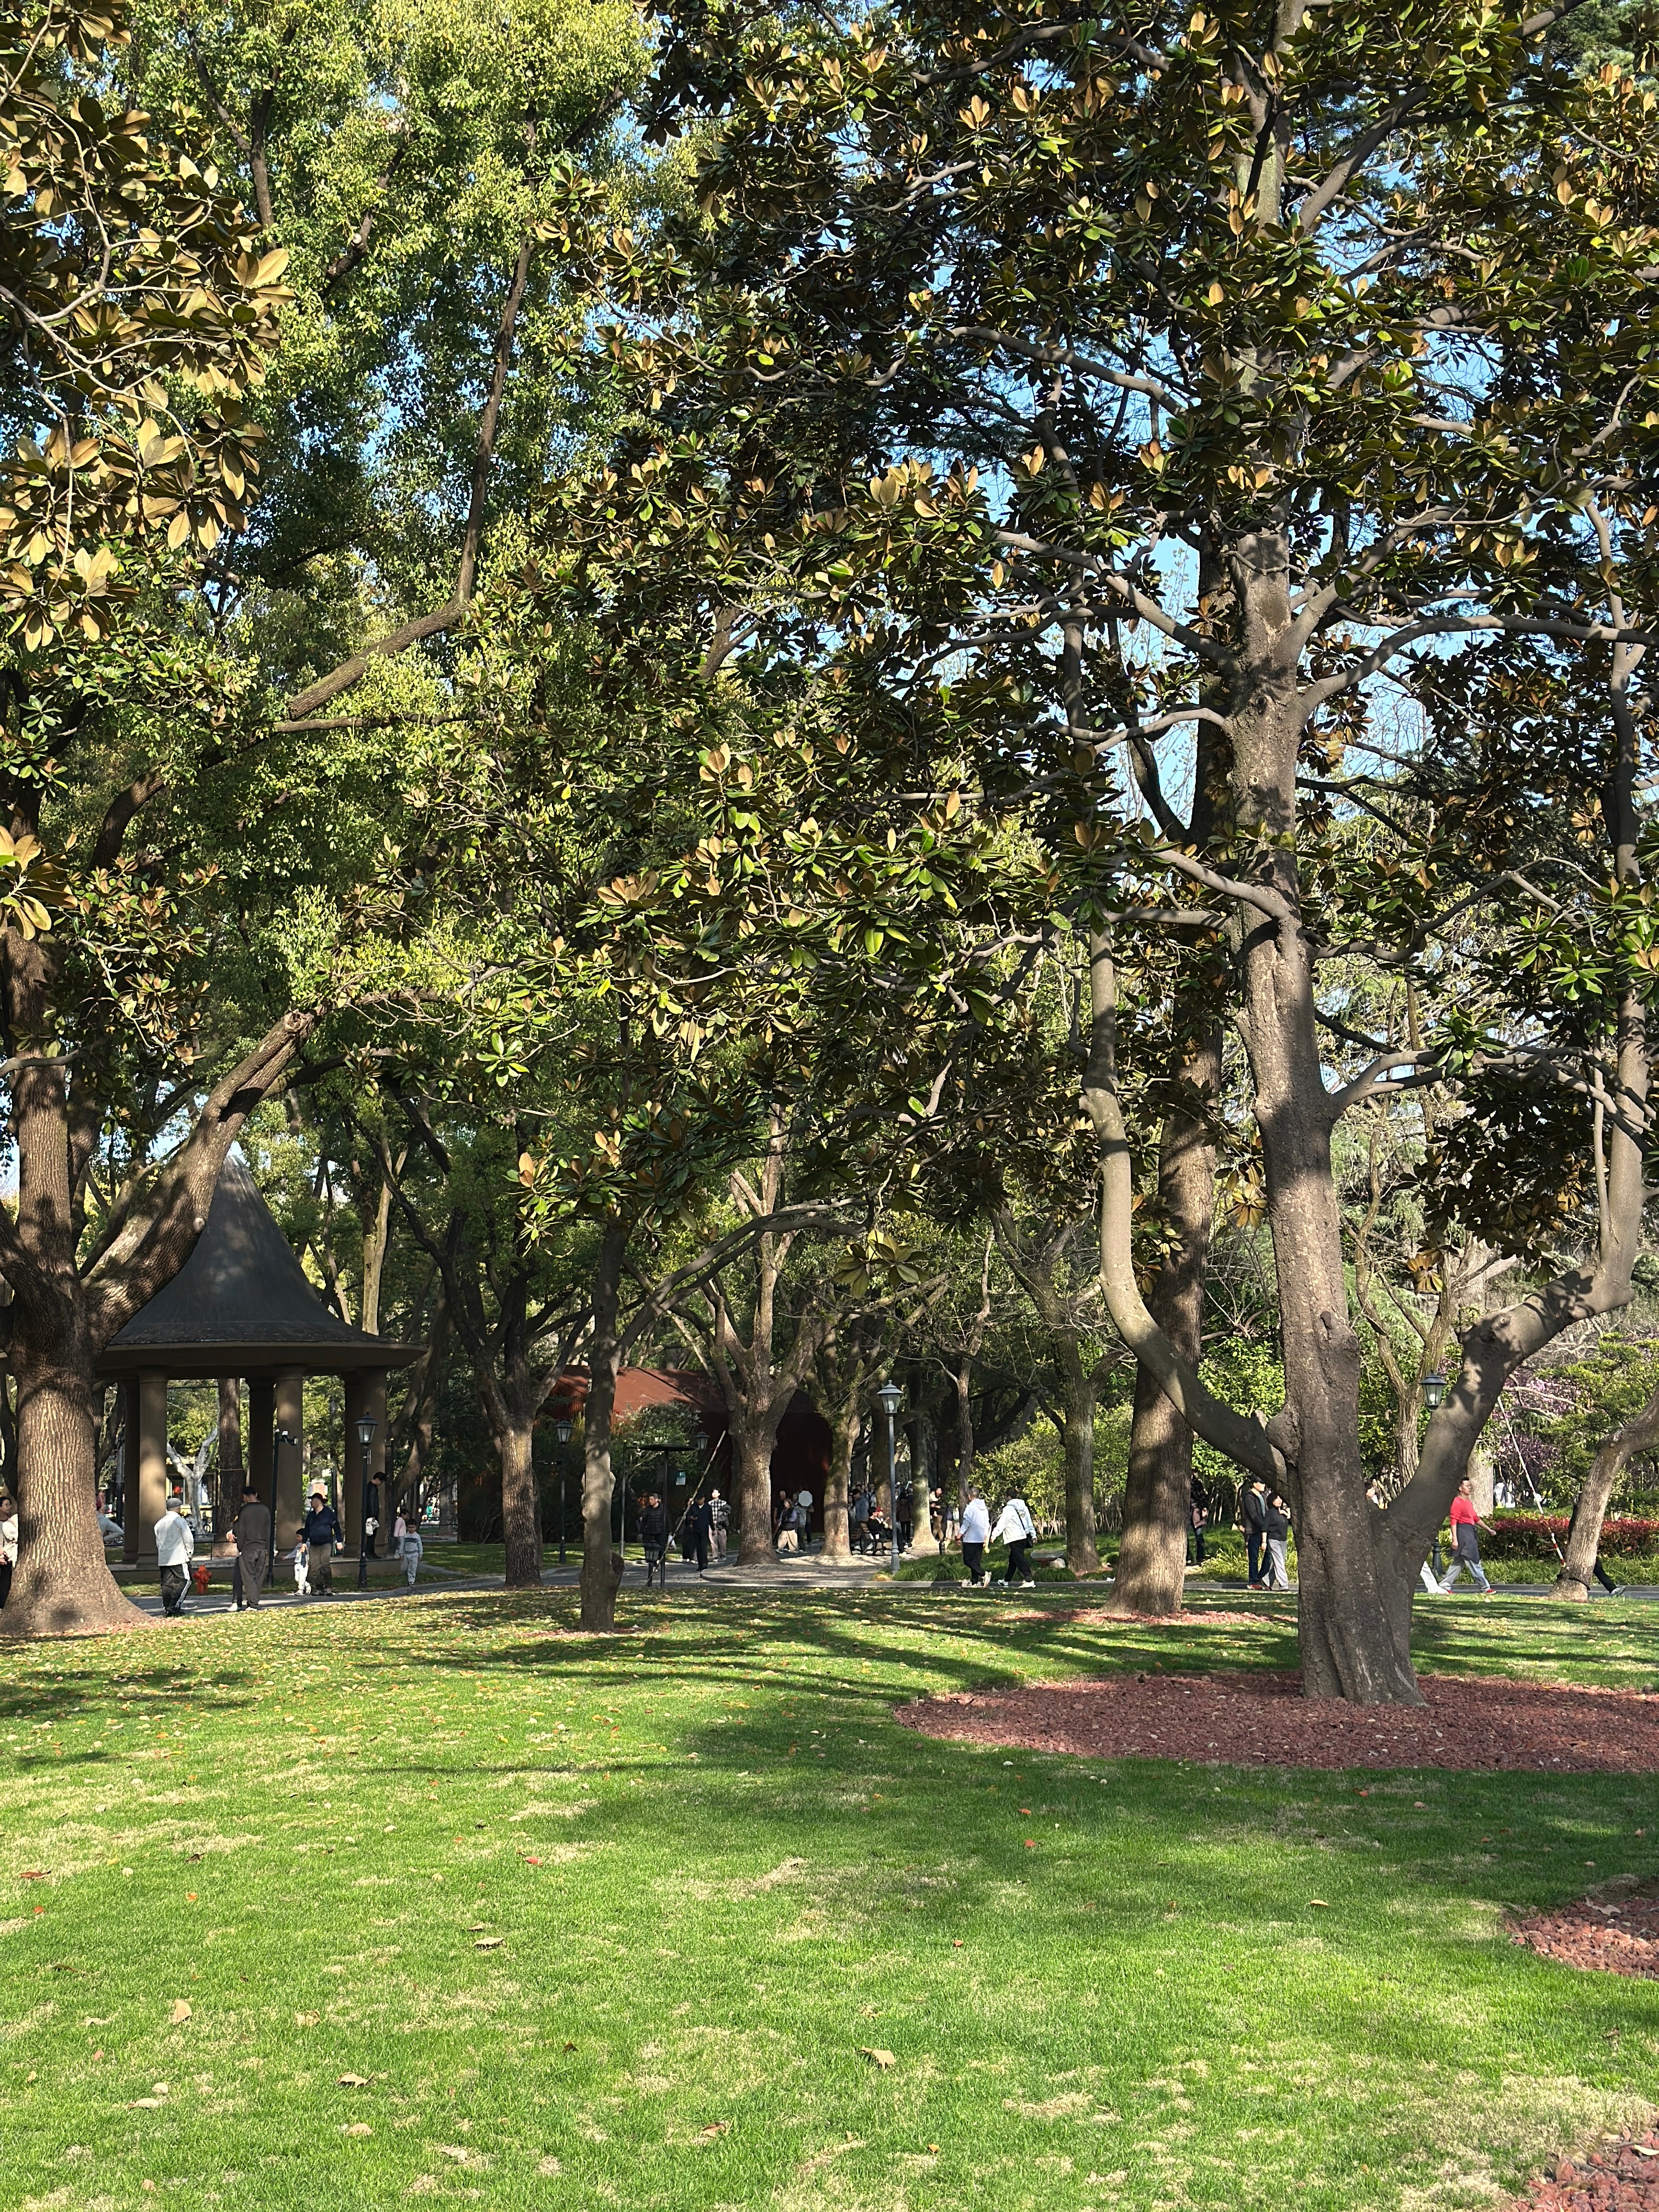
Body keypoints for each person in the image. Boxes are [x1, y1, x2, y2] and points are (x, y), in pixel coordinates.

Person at [1438, 1477, 1493, 1596]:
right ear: (1460, 1488)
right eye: (1467, 1486)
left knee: (1459, 1562)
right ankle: (1485, 1587)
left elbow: (1475, 1518)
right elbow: (1454, 1521)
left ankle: (1444, 1585)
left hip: (1470, 1532)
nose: (1470, 1488)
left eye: (1470, 1486)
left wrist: (1489, 1530)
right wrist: (1455, 1539)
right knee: (1473, 1560)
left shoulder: (1468, 1502)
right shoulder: (1457, 1502)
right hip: (1463, 1534)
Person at [155, 1488, 194, 1616]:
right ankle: (175, 1605)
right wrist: (189, 1553)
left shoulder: (159, 1524)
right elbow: (188, 1538)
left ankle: (167, 1607)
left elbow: (158, 1541)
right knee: (187, 1580)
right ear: (178, 1508)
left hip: (164, 1558)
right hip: (179, 1557)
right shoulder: (179, 1521)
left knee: (167, 1583)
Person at [233, 1483, 271, 1611]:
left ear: (245, 1497)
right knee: (259, 1576)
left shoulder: (244, 1510)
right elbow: (269, 1530)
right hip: (262, 1547)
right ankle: (254, 1601)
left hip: (248, 1547)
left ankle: (253, 1603)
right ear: (256, 1495)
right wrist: (268, 1547)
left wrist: (240, 1548)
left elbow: (241, 1530)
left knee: (248, 1576)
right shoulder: (265, 1510)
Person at [990, 1491, 1037, 1587]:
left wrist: (994, 1535)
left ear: (1009, 1497)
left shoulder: (1008, 1509)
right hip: (1024, 1535)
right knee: (1013, 1559)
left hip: (1014, 1537)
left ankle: (1029, 1579)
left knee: (1019, 1558)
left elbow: (1002, 1523)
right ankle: (1007, 1580)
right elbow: (1029, 1521)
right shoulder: (1023, 1507)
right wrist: (1033, 1535)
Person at [302, 1486, 340, 1596]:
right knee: (315, 1567)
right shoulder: (311, 1515)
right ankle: (319, 1588)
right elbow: (307, 1529)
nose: (311, 1503)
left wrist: (339, 1541)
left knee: (325, 1564)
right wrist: (304, 1542)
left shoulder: (328, 1514)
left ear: (318, 1501)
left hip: (325, 1543)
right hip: (314, 1544)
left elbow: (336, 1527)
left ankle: (328, 1587)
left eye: (312, 1501)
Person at [960, 1488, 991, 1586]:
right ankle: (974, 1582)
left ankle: (984, 1574)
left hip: (970, 1538)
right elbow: (987, 1523)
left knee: (968, 1560)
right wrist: (985, 1536)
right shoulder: (984, 1508)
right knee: (976, 1562)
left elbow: (966, 1522)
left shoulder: (970, 1508)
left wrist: (959, 1534)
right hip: (980, 1538)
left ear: (969, 1496)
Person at [1242, 1477, 1269, 1588]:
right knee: (1254, 1557)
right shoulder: (1249, 1497)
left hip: (1265, 1530)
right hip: (1254, 1530)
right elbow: (1254, 1515)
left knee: (1269, 1554)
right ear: (1254, 1484)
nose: (1263, 1485)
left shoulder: (1263, 1496)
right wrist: (1263, 1526)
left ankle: (1261, 1576)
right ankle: (1253, 1581)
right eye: (1261, 1483)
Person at [639, 1489, 669, 1587]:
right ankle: (652, 1562)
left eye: (652, 1499)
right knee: (650, 1550)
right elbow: (644, 1521)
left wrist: (670, 1531)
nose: (651, 1501)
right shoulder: (648, 1510)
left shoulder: (663, 1509)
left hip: (660, 1533)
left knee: (661, 1549)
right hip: (650, 1532)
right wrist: (641, 1532)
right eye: (650, 1499)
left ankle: (659, 1560)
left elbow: (667, 1520)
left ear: (657, 1500)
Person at [1263, 1493, 1293, 1590]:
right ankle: (1284, 1585)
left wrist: (1287, 1516)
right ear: (1272, 1501)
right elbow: (1265, 1528)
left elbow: (1291, 1523)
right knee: (1279, 1562)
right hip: (1274, 1540)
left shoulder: (1282, 1513)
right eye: (1277, 1499)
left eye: (1280, 1498)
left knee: (1280, 1562)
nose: (1279, 1500)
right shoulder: (1270, 1513)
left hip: (1283, 1540)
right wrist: (1264, 1542)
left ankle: (1267, 1580)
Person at [689, 1492, 713, 1575]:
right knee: (698, 1547)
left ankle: (705, 1563)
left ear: (704, 1499)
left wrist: (713, 1529)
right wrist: (691, 1519)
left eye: (701, 1500)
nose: (699, 1502)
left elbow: (711, 1518)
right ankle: (700, 1564)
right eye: (698, 1500)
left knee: (703, 1547)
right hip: (696, 1529)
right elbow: (688, 1517)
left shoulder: (708, 1507)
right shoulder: (693, 1507)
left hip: (704, 1529)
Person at [0, 1492, 16, 1608]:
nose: (9, 1507)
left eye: (10, 1505)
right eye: (6, 1505)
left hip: (8, 1558)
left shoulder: (13, 1521)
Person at [1188, 1476, 1209, 1567]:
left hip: (1197, 1511)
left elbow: (1203, 1496)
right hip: (1186, 1511)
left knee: (1199, 1535)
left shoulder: (1197, 1484)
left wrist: (1204, 1508)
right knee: (1184, 1536)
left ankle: (1200, 1557)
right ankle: (1187, 1558)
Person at [400, 1513, 424, 1587]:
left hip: (414, 1554)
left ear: (415, 1528)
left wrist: (420, 1554)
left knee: (413, 1568)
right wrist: (401, 1553)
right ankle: (407, 1579)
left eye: (413, 1527)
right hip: (406, 1554)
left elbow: (420, 1545)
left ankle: (411, 1581)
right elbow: (402, 1545)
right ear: (407, 1528)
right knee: (404, 1568)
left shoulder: (417, 1536)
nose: (411, 1529)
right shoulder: (405, 1536)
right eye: (409, 1527)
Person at [709, 1488, 729, 1564]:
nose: (714, 1494)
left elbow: (728, 1511)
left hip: (721, 1525)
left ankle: (723, 1555)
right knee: (713, 1542)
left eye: (716, 1493)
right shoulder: (709, 1504)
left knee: (723, 1541)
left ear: (719, 1494)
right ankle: (715, 1556)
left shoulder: (723, 1503)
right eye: (713, 1493)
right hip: (712, 1525)